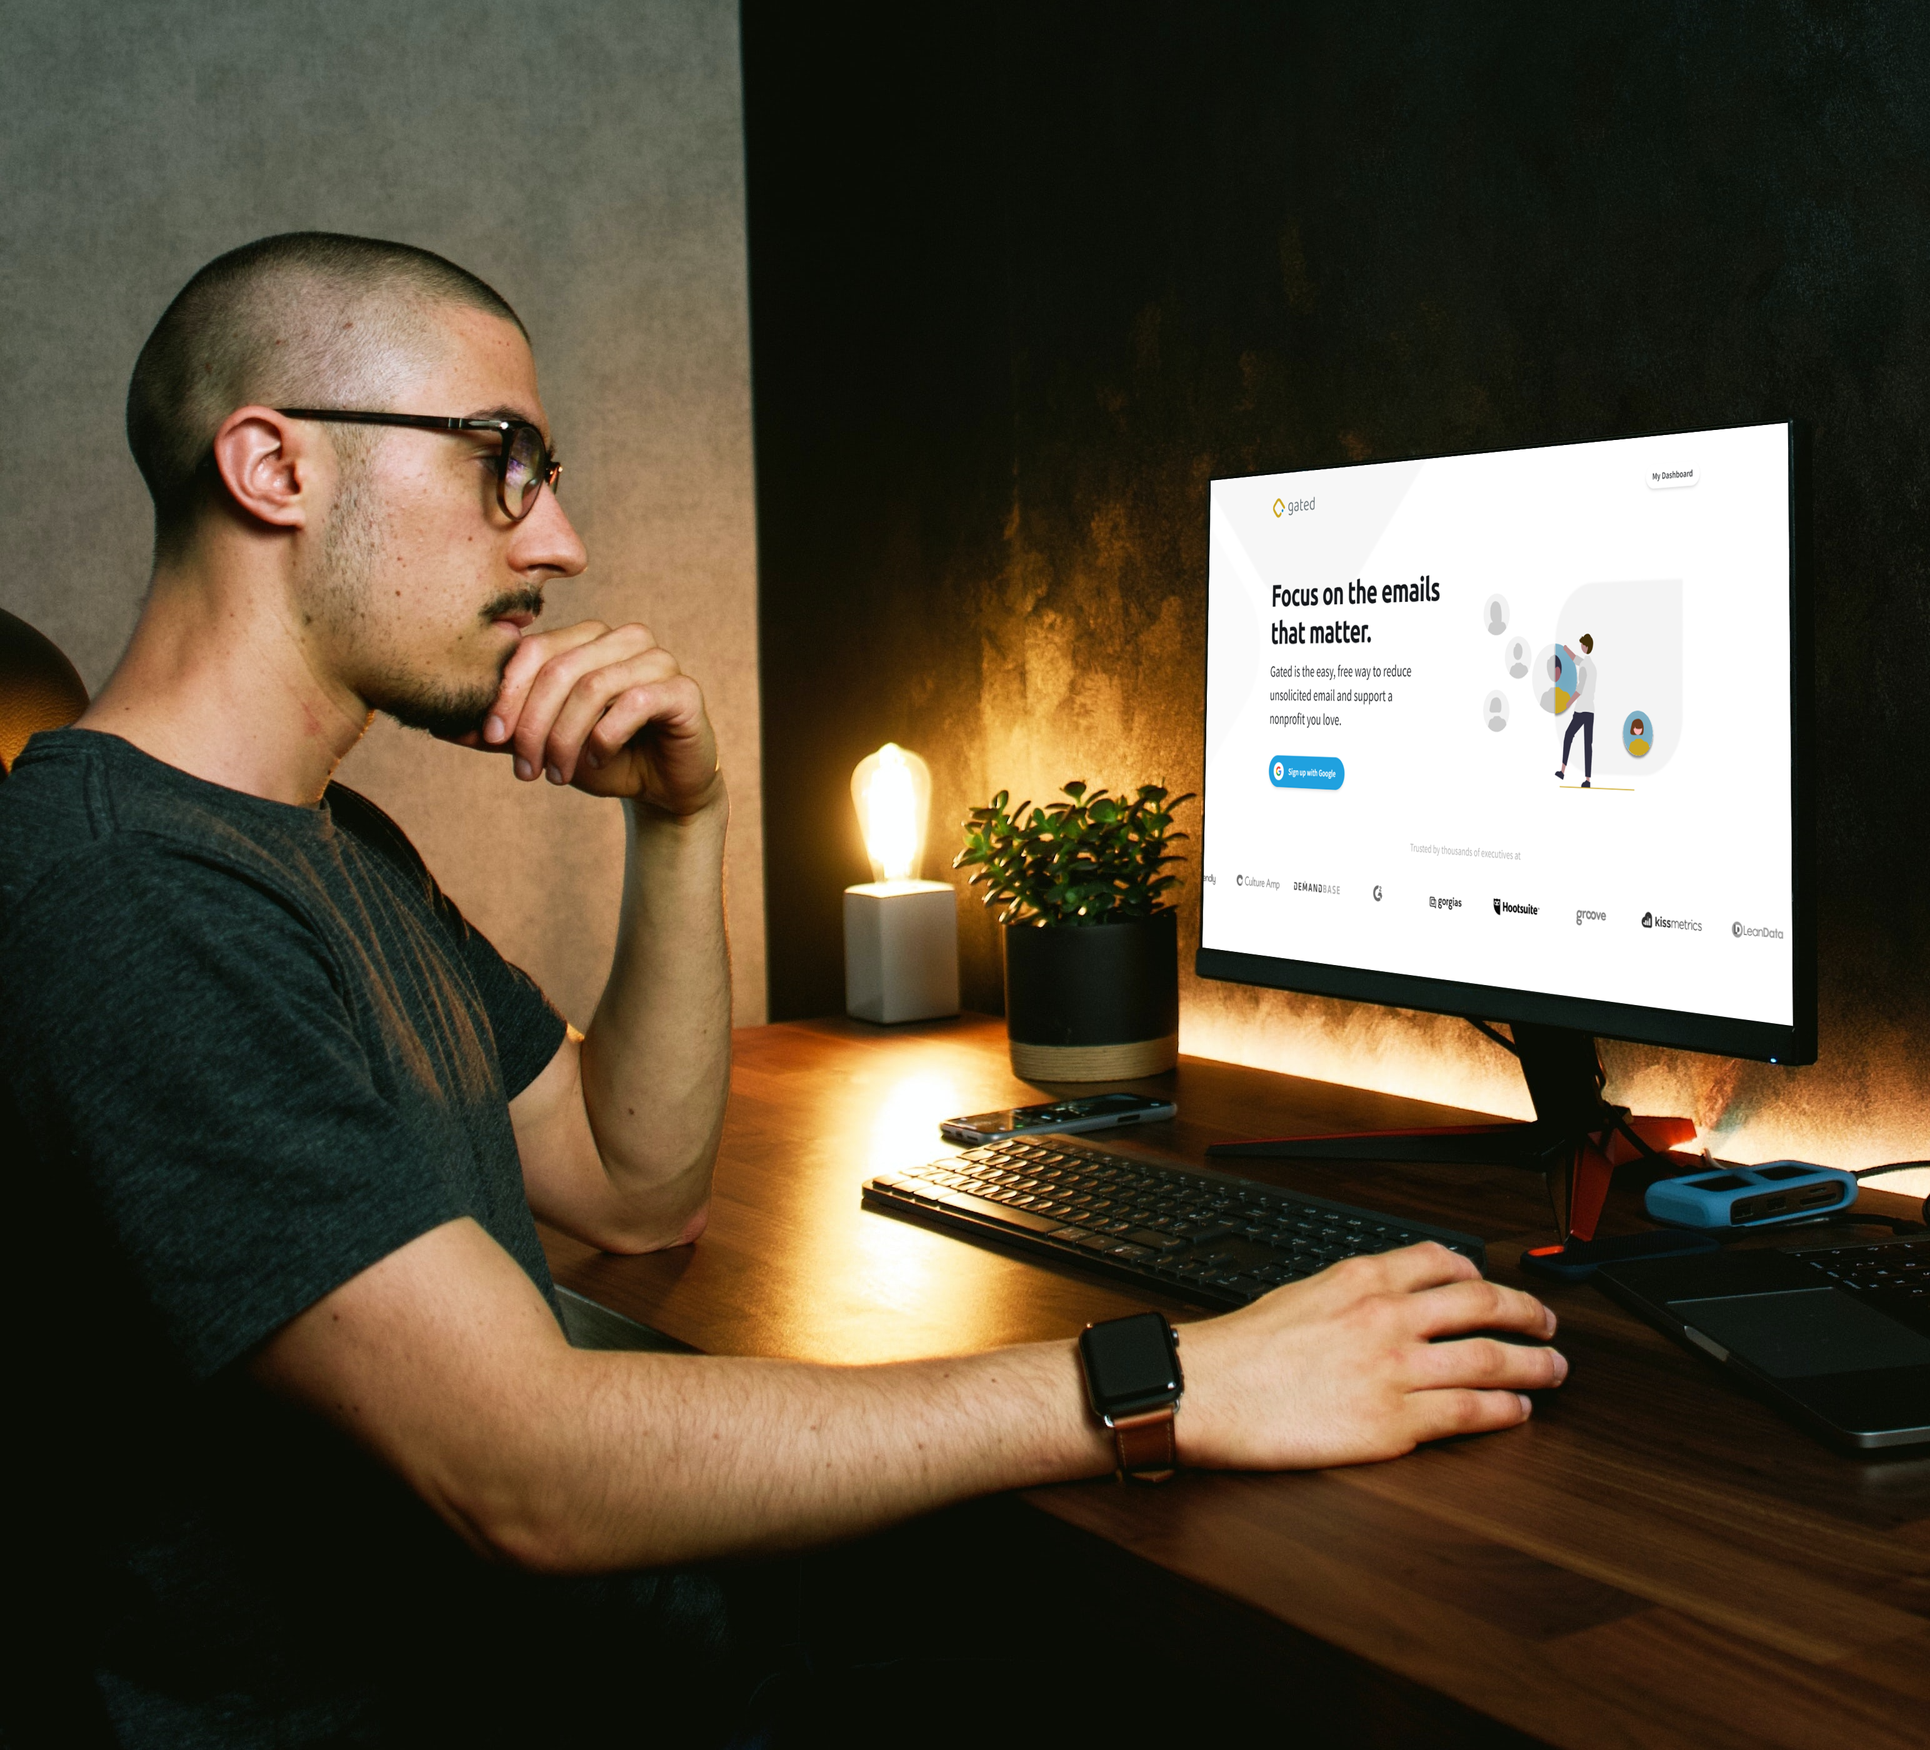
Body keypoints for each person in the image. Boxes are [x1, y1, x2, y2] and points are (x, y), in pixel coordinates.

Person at [0, 234, 1566, 1744]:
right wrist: (1167, 1379)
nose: (559, 540)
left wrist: (682, 820)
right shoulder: (131, 893)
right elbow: (526, 1466)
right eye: (505, 460)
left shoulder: (315, 845)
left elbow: (631, 1181)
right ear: (273, 467)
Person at [1554, 632, 1597, 787]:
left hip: (1581, 710)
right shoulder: (1591, 665)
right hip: (1590, 711)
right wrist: (1566, 649)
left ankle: (1562, 771)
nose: (1581, 647)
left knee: (1568, 735)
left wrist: (1569, 702)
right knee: (1588, 744)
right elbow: (1576, 659)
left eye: (1582, 645)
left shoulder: (1586, 666)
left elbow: (1580, 688)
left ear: (1585, 646)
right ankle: (1587, 780)